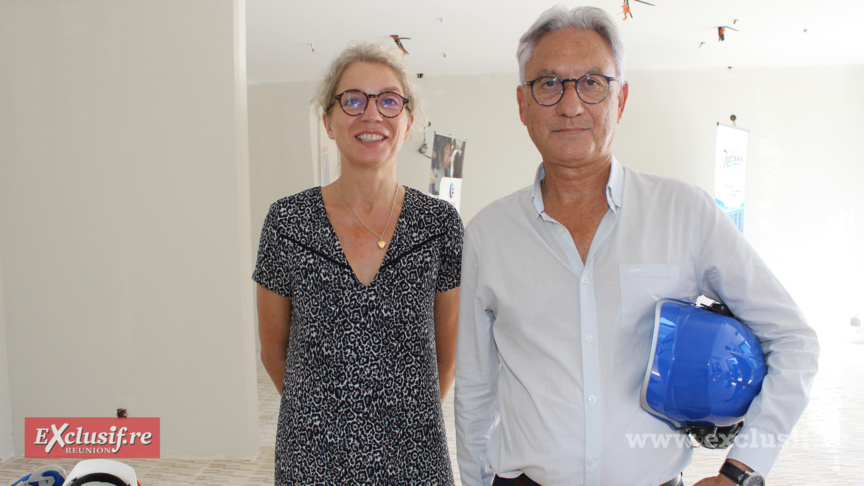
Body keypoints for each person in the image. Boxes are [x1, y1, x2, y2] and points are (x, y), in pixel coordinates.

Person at [454, 6, 819, 486]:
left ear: (620, 99)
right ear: (522, 104)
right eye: (549, 84)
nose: (570, 106)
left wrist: (744, 470)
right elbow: (476, 389)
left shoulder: (684, 212)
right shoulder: (488, 234)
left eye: (592, 82)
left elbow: (794, 341)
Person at [254, 41, 463, 485]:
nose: (371, 115)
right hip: (311, 455)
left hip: (414, 454)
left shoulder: (439, 224)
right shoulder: (287, 222)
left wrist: (398, 422)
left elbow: (448, 356)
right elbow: (274, 353)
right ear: (328, 121)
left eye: (389, 101)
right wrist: (324, 420)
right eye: (353, 100)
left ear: (408, 123)